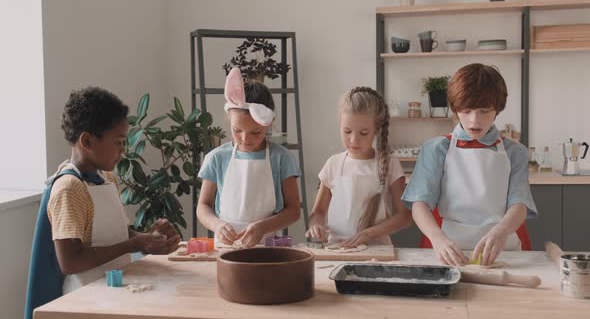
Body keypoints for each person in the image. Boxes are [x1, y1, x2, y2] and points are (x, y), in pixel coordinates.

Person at [25, 87, 180, 319]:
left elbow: (115, 234)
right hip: (83, 302)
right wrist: (135, 244)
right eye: (118, 142)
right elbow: (70, 261)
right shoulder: (69, 188)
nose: (123, 150)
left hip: (112, 293)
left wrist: (148, 237)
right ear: (87, 140)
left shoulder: (105, 178)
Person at [402, 63, 538, 266]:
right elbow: (420, 204)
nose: (475, 120)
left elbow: (519, 204)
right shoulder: (436, 149)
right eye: (466, 111)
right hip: (449, 250)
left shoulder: (515, 152)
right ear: (455, 109)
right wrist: (437, 239)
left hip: (503, 250)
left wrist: (501, 232)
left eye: (484, 111)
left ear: (498, 109)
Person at [196, 68, 301, 247]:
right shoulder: (217, 158)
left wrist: (262, 226)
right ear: (229, 120)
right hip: (225, 247)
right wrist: (217, 225)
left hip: (267, 246)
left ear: (268, 125)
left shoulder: (281, 158)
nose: (245, 139)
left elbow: (293, 210)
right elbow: (203, 206)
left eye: (256, 132)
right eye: (237, 130)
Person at [306, 86, 412, 247]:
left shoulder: (390, 164)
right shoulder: (333, 164)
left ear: (376, 130)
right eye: (347, 131)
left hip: (377, 249)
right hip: (337, 247)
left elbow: (405, 217)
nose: (354, 140)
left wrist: (369, 233)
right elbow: (318, 212)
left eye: (363, 133)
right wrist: (315, 226)